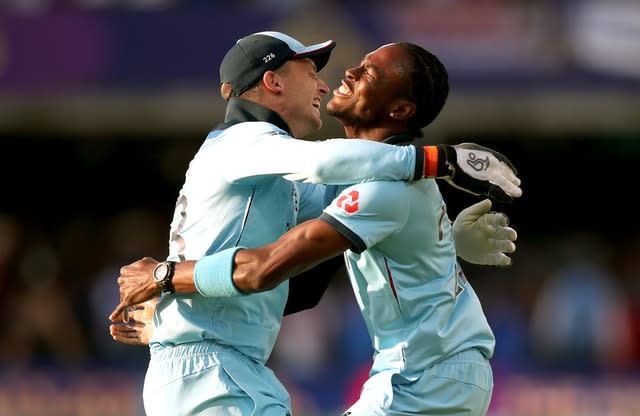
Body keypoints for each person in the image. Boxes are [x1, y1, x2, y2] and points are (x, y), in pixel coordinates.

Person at [110, 31, 521, 416]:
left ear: (399, 109)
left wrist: (170, 293)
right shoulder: (244, 141)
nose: (330, 82)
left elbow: (288, 273)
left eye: (367, 72)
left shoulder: (372, 187)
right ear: (272, 82)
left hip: (419, 374)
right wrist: (440, 161)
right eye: (311, 74)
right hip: (220, 370)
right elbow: (320, 173)